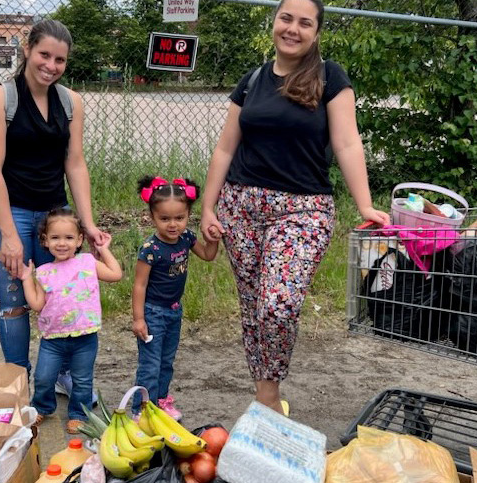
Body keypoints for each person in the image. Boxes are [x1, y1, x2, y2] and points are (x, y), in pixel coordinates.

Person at [199, 0, 390, 415]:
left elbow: (347, 143)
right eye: (286, 18)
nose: (293, 29)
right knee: (253, 307)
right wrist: (207, 208)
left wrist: (366, 205)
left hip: (303, 211)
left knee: (278, 303)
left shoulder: (330, 77)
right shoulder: (252, 81)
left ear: (316, 33)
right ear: (274, 22)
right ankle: (266, 393)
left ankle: (271, 384)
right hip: (240, 207)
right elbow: (224, 148)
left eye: (305, 23)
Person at [0, 19, 110, 379]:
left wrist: (88, 224)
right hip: (10, 212)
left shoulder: (71, 103)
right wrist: (8, 235)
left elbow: (75, 163)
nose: (51, 66)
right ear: (27, 50)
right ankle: (18, 378)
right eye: (44, 55)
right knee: (15, 302)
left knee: (64, 293)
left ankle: (65, 375)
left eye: (60, 60)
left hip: (55, 216)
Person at [20, 207, 123, 433]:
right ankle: (42, 407)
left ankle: (78, 413)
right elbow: (37, 304)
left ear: (79, 240)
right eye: (55, 238)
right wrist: (27, 278)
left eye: (68, 237)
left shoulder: (87, 262)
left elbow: (116, 274)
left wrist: (104, 250)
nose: (62, 243)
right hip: (53, 339)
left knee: (82, 380)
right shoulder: (44, 271)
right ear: (45, 241)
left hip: (85, 337)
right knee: (44, 377)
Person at [130, 176, 219, 420]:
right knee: (150, 365)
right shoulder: (150, 249)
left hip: (173, 311)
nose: (173, 225)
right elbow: (139, 285)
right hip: (152, 313)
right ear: (152, 217)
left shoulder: (187, 238)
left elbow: (208, 255)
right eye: (165, 218)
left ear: (188, 215)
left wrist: (213, 240)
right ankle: (141, 410)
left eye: (179, 218)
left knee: (167, 362)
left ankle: (160, 402)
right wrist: (139, 319)